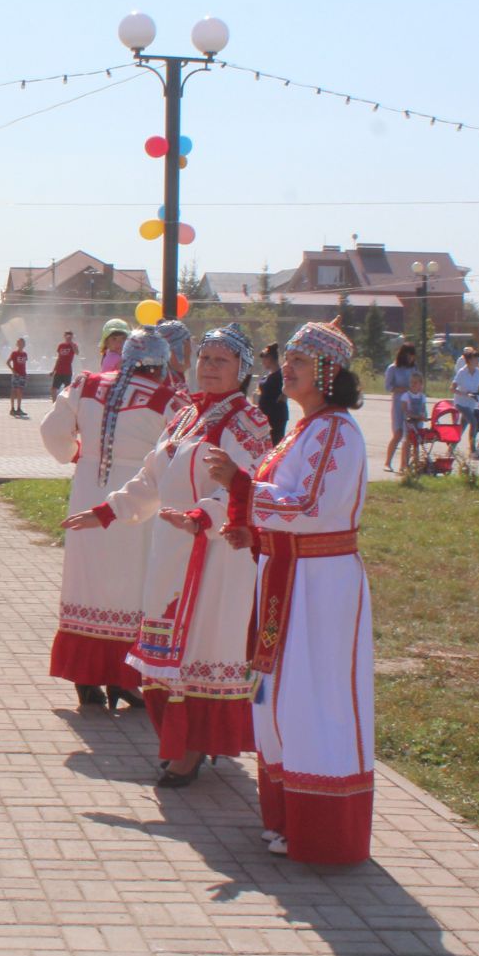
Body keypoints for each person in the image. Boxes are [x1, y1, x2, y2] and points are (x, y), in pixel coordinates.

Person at [65, 324, 272, 785]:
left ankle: (194, 746)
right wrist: (105, 511)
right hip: (172, 549)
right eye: (206, 358)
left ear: (243, 370)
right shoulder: (186, 416)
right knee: (164, 648)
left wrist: (203, 517)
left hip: (217, 555)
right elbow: (149, 479)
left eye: (222, 361)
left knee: (201, 647)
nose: (210, 368)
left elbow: (252, 484)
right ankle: (183, 741)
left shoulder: (249, 422)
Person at [204, 319, 372, 865]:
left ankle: (322, 827)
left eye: (301, 361)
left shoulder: (337, 432)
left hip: (319, 587)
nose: (289, 369)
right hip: (284, 579)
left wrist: (241, 486)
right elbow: (285, 505)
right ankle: (285, 819)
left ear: (331, 372)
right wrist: (250, 523)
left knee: (314, 697)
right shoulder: (305, 430)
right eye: (288, 360)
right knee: (275, 695)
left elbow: (310, 507)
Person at [39, 328, 179, 710]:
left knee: (87, 581)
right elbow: (177, 454)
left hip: (90, 486)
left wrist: (76, 454)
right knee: (132, 583)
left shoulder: (86, 385)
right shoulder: (167, 399)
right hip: (139, 496)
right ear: (160, 364)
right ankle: (125, 678)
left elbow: (51, 430)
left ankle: (86, 677)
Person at [382, 342, 418, 471]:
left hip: (411, 403)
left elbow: (418, 381)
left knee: (409, 435)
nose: (411, 358)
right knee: (398, 433)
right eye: (409, 355)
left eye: (413, 356)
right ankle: (387, 462)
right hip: (398, 403)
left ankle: (405, 464)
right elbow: (388, 386)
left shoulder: (414, 368)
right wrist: (402, 389)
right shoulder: (393, 368)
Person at [450, 346, 479, 454]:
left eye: (477, 359)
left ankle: (451, 448)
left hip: (471, 404)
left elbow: (477, 388)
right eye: (475, 359)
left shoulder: (478, 373)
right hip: (461, 403)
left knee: (462, 426)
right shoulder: (462, 372)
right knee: (473, 422)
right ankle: (472, 449)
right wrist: (464, 393)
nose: (477, 361)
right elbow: (452, 388)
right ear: (468, 361)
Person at [255, 342, 289, 445]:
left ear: (270, 358)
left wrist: (283, 396)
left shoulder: (281, 375)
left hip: (275, 417)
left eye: (264, 359)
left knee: (273, 445)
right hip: (264, 417)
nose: (262, 362)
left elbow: (286, 390)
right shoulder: (268, 376)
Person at [398, 372, 430, 472]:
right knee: (407, 443)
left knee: (416, 443)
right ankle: (403, 465)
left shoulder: (422, 396)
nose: (413, 384)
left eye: (416, 383)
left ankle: (416, 465)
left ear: (421, 384)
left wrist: (424, 416)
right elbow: (405, 411)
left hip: (419, 423)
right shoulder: (406, 396)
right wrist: (416, 416)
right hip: (409, 423)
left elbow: (424, 409)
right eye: (411, 382)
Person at [50, 330, 78, 400]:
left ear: (72, 336)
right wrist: (53, 370)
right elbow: (59, 358)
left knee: (67, 389)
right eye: (66, 335)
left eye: (70, 335)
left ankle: (66, 404)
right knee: (53, 388)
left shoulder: (73, 345)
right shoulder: (61, 345)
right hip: (59, 370)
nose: (68, 336)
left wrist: (71, 342)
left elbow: (77, 352)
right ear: (64, 336)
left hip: (67, 371)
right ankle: (54, 404)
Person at [6, 338, 29, 417]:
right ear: (17, 344)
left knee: (20, 391)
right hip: (16, 375)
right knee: (14, 391)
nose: (20, 345)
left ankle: (19, 408)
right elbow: (8, 362)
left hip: (23, 375)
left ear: (24, 345)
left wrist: (25, 375)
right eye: (19, 343)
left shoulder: (25, 354)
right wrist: (13, 370)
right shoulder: (14, 353)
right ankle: (12, 409)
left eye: (22, 343)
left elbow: (24, 365)